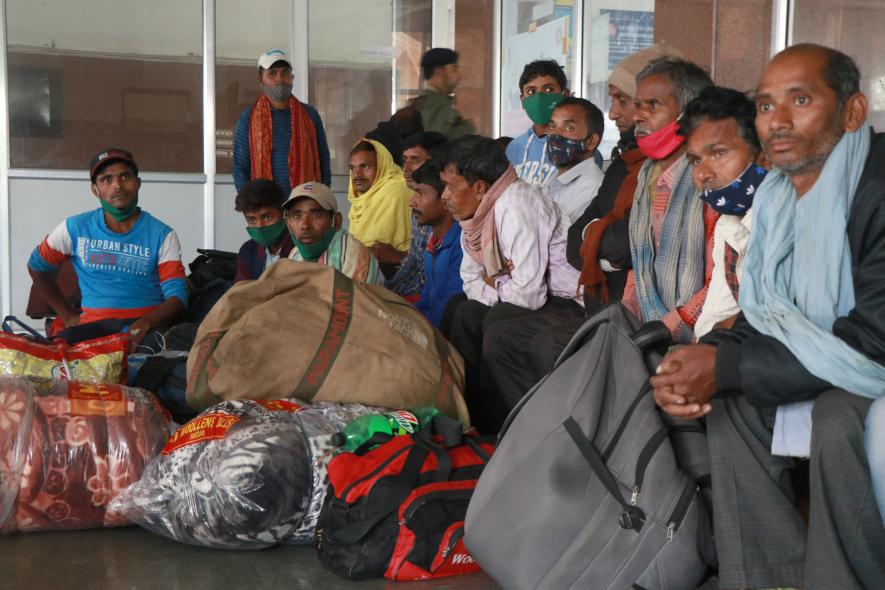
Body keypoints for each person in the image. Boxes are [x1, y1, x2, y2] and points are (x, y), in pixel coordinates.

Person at [651, 44, 885, 589]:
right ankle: (767, 578)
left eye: (799, 100)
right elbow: (771, 316)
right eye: (764, 104)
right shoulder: (781, 198)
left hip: (870, 369)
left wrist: (729, 367)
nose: (776, 121)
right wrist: (709, 361)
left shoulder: (875, 188)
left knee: (837, 419)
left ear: (852, 112)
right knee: (733, 404)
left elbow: (874, 344)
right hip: (843, 362)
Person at [481, 46, 671, 411]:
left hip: (614, 302)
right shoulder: (621, 168)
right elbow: (576, 242)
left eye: (625, 101)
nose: (615, 112)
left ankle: (559, 437)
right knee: (496, 326)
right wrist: (596, 241)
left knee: (538, 338)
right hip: (596, 291)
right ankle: (516, 431)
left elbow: (619, 245)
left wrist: (596, 242)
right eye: (554, 127)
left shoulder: (645, 171)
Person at [442, 135, 582, 432]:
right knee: (461, 310)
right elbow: (470, 279)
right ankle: (467, 416)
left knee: (499, 322)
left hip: (568, 301)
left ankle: (506, 427)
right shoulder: (476, 218)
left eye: (450, 187)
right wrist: (495, 282)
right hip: (532, 297)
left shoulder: (516, 203)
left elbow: (528, 295)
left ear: (480, 188)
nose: (445, 196)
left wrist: (493, 283)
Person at [28, 148, 187, 347]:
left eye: (125, 177)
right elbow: (36, 266)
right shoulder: (75, 228)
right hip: (94, 330)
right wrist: (67, 315)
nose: (117, 185)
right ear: (95, 189)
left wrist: (145, 324)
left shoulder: (163, 235)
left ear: (138, 183)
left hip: (149, 330)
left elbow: (177, 297)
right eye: (106, 180)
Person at [620, 56, 716, 344]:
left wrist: (669, 326)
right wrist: (625, 317)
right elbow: (641, 267)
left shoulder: (710, 180)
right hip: (649, 326)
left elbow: (720, 282)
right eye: (638, 105)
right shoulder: (646, 175)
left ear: (688, 113)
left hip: (699, 337)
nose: (638, 116)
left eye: (653, 105)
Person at [681, 86, 767, 338]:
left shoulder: (795, 223)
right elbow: (715, 315)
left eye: (719, 153)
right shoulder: (727, 226)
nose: (702, 174)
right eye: (695, 160)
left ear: (764, 155)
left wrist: (724, 331)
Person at [232, 49, 331, 194]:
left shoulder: (310, 115)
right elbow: (240, 167)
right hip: (266, 205)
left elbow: (323, 161)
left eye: (285, 72)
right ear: (260, 80)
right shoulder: (248, 117)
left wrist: (323, 198)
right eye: (272, 73)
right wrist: (251, 205)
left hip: (305, 204)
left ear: (292, 77)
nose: (280, 78)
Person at [380, 132, 448, 300]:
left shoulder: (439, 208)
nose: (406, 168)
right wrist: (388, 293)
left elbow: (426, 275)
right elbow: (414, 261)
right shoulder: (418, 202)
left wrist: (395, 301)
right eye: (405, 159)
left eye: (415, 160)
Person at [285, 182, 383, 285]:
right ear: (287, 222)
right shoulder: (295, 253)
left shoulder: (353, 254)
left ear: (336, 220)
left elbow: (354, 300)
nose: (305, 225)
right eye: (297, 216)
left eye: (317, 215)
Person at [347, 138, 414, 271]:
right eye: (352, 168)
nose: (357, 175)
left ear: (382, 165)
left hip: (399, 270)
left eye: (365, 166)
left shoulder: (397, 190)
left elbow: (379, 250)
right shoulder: (363, 197)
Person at [410, 160, 463, 328]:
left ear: (445, 198)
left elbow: (447, 309)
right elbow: (427, 298)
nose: (412, 202)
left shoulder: (462, 246)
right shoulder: (433, 241)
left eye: (420, 193)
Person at [505, 59, 570, 187]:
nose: (540, 98)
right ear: (522, 101)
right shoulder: (514, 148)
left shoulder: (577, 146)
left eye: (549, 89)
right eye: (531, 91)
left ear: (565, 94)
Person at [542, 97, 605, 224]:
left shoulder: (593, 188)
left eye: (569, 128)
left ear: (591, 141)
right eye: (552, 126)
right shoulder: (553, 179)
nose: (556, 134)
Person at [233, 179, 294, 283]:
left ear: (284, 214)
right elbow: (240, 291)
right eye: (252, 220)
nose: (260, 226)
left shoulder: (299, 248)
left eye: (267, 218)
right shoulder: (248, 250)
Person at [412, 48, 475, 139]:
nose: (459, 76)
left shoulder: (420, 101)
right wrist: (467, 127)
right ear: (439, 72)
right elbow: (437, 140)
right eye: (454, 70)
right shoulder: (439, 102)